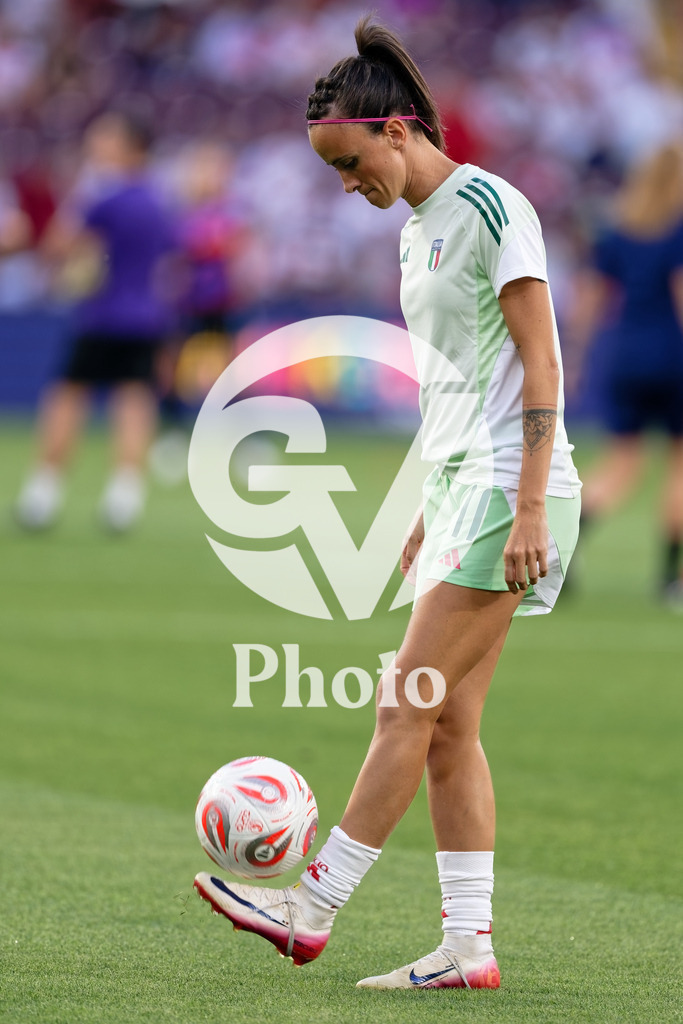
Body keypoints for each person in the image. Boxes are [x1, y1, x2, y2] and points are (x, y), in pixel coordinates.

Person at [194, 17, 581, 990]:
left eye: (348, 159)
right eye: (329, 168)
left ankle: (309, 905)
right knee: (447, 723)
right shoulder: (415, 240)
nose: (345, 183)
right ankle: (467, 944)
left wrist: (528, 504)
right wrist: (422, 505)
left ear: (396, 130)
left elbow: (540, 360)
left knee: (402, 696)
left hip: (508, 488)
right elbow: (455, 384)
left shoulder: (492, 209)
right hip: (463, 489)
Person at [15, 111, 178, 532]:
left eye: (106, 137)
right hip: (147, 314)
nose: (96, 143)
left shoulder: (103, 196)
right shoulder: (159, 199)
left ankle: (43, 494)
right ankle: (124, 497)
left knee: (67, 397)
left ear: (130, 147)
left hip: (103, 314)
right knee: (134, 401)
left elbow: (58, 245)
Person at [567, 143, 683, 603]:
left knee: (622, 464)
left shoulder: (617, 233)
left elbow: (591, 301)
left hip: (626, 356)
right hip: (673, 357)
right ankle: (670, 579)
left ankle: (561, 545)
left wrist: (575, 355)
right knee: (679, 465)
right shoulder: (677, 233)